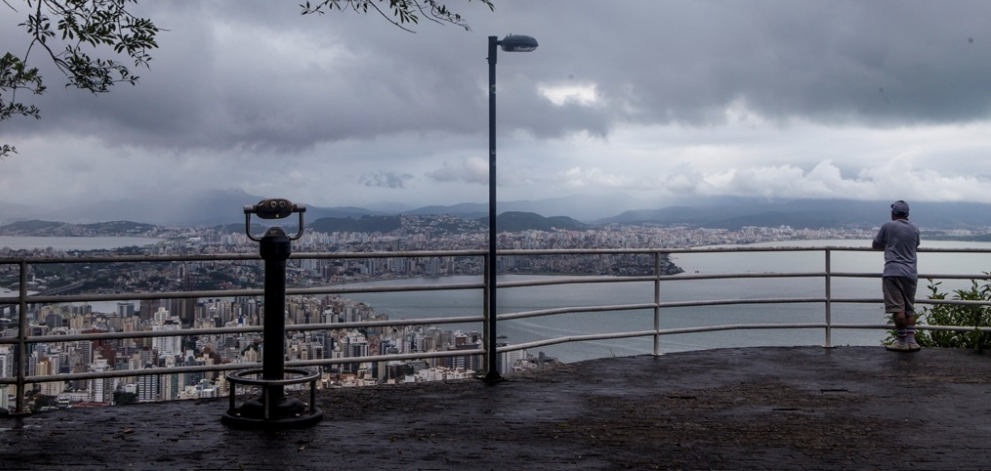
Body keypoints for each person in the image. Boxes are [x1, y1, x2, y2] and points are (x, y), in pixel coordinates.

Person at [872, 200, 921, 352]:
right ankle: (912, 341)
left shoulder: (888, 226)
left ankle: (901, 341)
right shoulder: (915, 228)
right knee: (909, 309)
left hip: (893, 272)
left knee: (897, 309)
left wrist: (888, 245)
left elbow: (875, 244)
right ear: (907, 214)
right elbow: (916, 245)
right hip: (911, 273)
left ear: (893, 213)